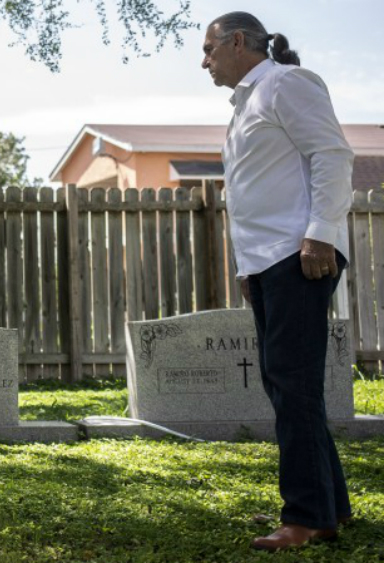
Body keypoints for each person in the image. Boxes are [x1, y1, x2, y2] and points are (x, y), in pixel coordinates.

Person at [201, 11, 354, 552]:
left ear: (238, 41)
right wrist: (247, 268)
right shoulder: (245, 103)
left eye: (210, 49)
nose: (205, 61)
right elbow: (252, 194)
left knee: (293, 384)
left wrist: (319, 236)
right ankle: (329, 509)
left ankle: (304, 518)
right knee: (286, 384)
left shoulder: (287, 83)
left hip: (300, 254)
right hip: (267, 261)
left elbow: (332, 156)